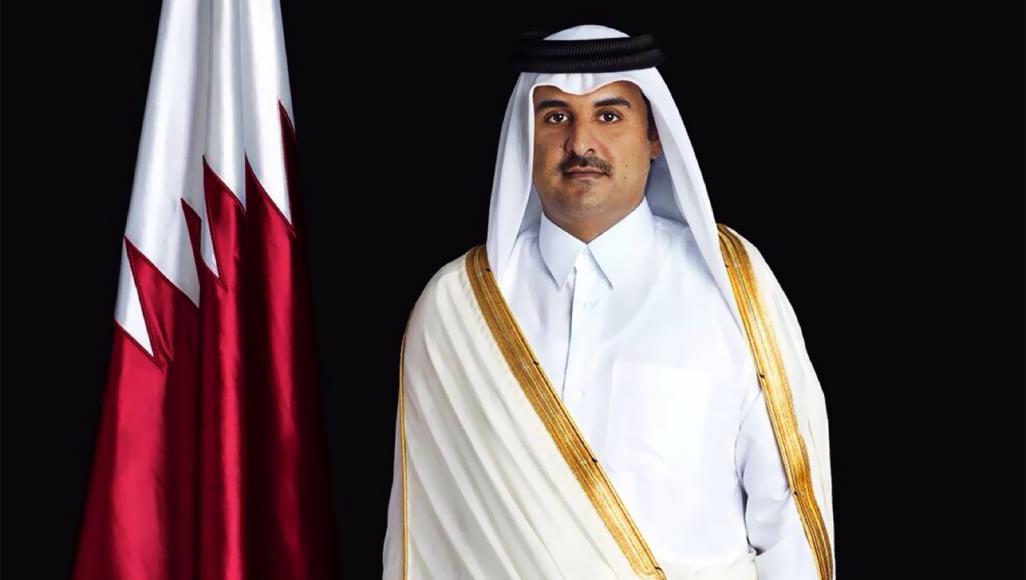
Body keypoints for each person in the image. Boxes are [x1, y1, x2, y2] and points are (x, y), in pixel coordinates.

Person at [382, 24, 834, 580]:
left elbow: (788, 519)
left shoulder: (729, 286)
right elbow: (423, 537)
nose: (581, 144)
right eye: (555, 117)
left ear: (654, 136)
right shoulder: (458, 306)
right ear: (525, 136)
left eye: (609, 115)